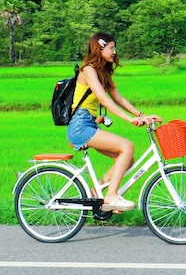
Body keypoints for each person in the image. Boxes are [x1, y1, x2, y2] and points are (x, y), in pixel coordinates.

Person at [67, 32, 161, 212]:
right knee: (127, 146)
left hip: (89, 124)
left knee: (127, 159)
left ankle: (95, 193)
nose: (114, 52)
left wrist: (142, 115)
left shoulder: (102, 72)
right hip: (80, 126)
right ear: (99, 48)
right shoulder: (88, 70)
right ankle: (111, 196)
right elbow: (104, 100)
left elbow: (118, 98)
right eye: (111, 48)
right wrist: (129, 119)